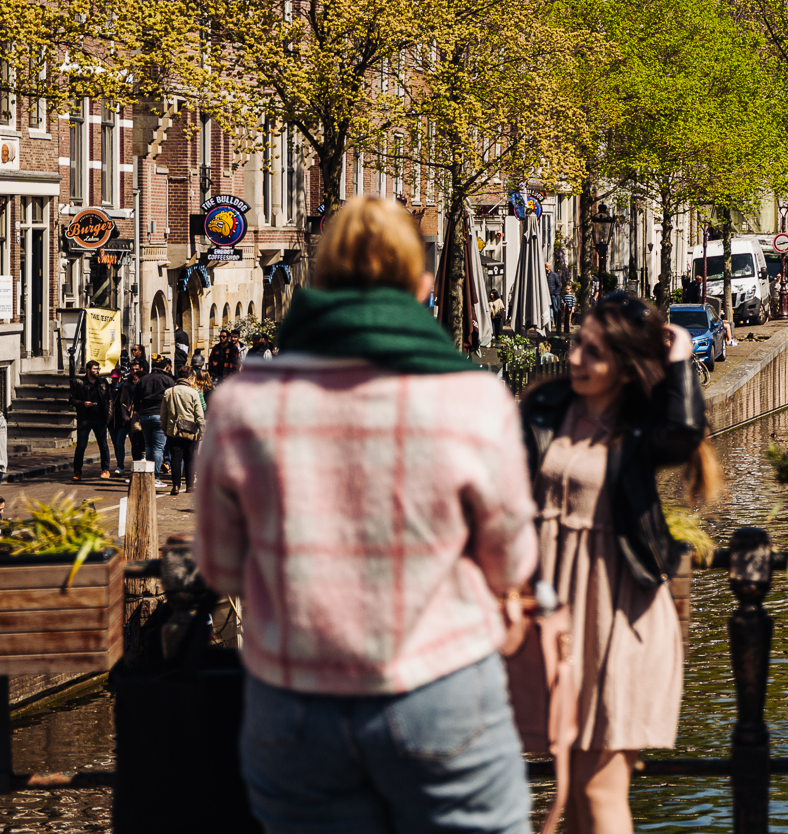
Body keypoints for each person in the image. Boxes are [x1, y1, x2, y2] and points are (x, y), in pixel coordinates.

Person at [199, 196, 538, 834]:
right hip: (438, 684)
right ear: (422, 286)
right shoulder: (473, 399)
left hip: (296, 699)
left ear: (318, 283)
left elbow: (220, 567)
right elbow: (511, 559)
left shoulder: (242, 404)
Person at [515, 290, 720, 834]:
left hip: (618, 615)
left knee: (598, 791)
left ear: (627, 368)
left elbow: (683, 433)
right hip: (559, 620)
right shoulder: (548, 406)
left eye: (595, 352)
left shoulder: (641, 427)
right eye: (577, 344)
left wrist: (679, 362)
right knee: (575, 797)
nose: (576, 359)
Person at [162, 372, 206, 495]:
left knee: (176, 458)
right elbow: (199, 414)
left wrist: (164, 428)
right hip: (190, 430)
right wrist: (201, 430)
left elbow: (163, 413)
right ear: (189, 378)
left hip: (174, 430)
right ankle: (190, 486)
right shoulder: (193, 392)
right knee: (190, 458)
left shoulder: (168, 392)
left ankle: (175, 486)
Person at [72, 360, 112, 481]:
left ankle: (105, 469)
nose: (97, 371)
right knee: (81, 446)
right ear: (88, 370)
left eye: (98, 369)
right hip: (85, 418)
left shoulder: (103, 382)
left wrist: (108, 416)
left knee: (103, 445)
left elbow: (109, 399)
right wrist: (83, 403)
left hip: (100, 418)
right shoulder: (79, 383)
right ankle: (77, 471)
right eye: (95, 369)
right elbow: (72, 399)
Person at [133, 356, 174, 473]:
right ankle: (155, 475)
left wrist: (139, 413)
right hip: (160, 415)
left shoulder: (143, 380)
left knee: (148, 445)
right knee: (158, 447)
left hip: (145, 415)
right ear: (164, 367)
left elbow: (136, 399)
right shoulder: (168, 380)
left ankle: (149, 473)